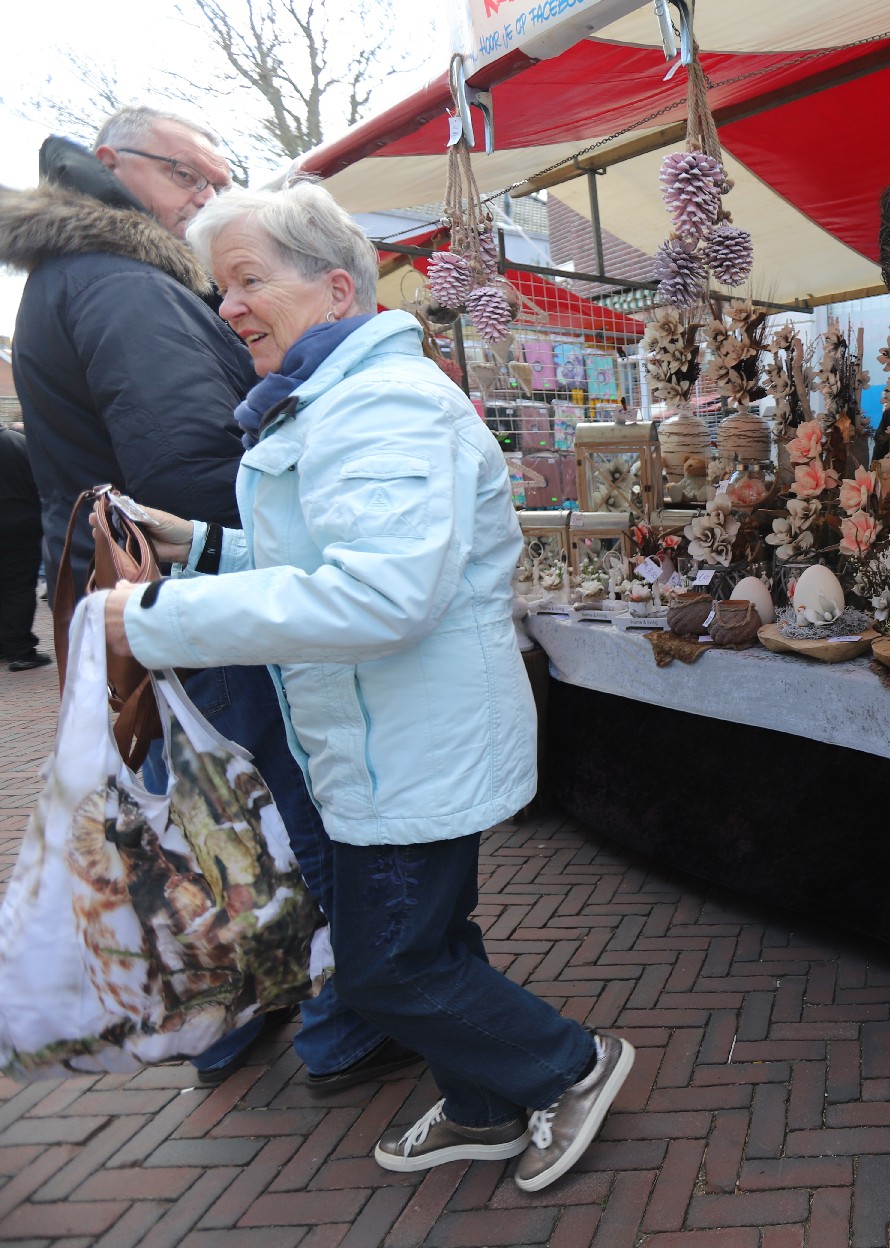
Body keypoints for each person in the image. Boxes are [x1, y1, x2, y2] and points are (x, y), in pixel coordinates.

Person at [102, 181, 633, 1193]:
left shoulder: (381, 405)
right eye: (223, 287)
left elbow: (383, 594)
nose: (228, 308)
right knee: (427, 942)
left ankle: (569, 1066)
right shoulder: (344, 397)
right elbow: (327, 557)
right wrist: (201, 546)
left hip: (407, 739)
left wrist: (156, 618)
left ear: (335, 290)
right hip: (380, 736)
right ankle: (485, 1105)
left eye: (248, 281)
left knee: (388, 970)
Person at [0, 105, 415, 1091]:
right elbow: (187, 461)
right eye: (190, 174)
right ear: (114, 164)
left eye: (219, 181)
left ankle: (235, 1013)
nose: (208, 195)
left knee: (207, 811)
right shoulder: (123, 283)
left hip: (134, 597)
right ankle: (348, 1023)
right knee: (278, 804)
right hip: (190, 598)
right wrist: (284, 539)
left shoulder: (81, 276)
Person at [0, 425, 49, 671]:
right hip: (20, 525)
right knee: (19, 587)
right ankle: (19, 649)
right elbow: (41, 482)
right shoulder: (17, 443)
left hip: (17, 523)